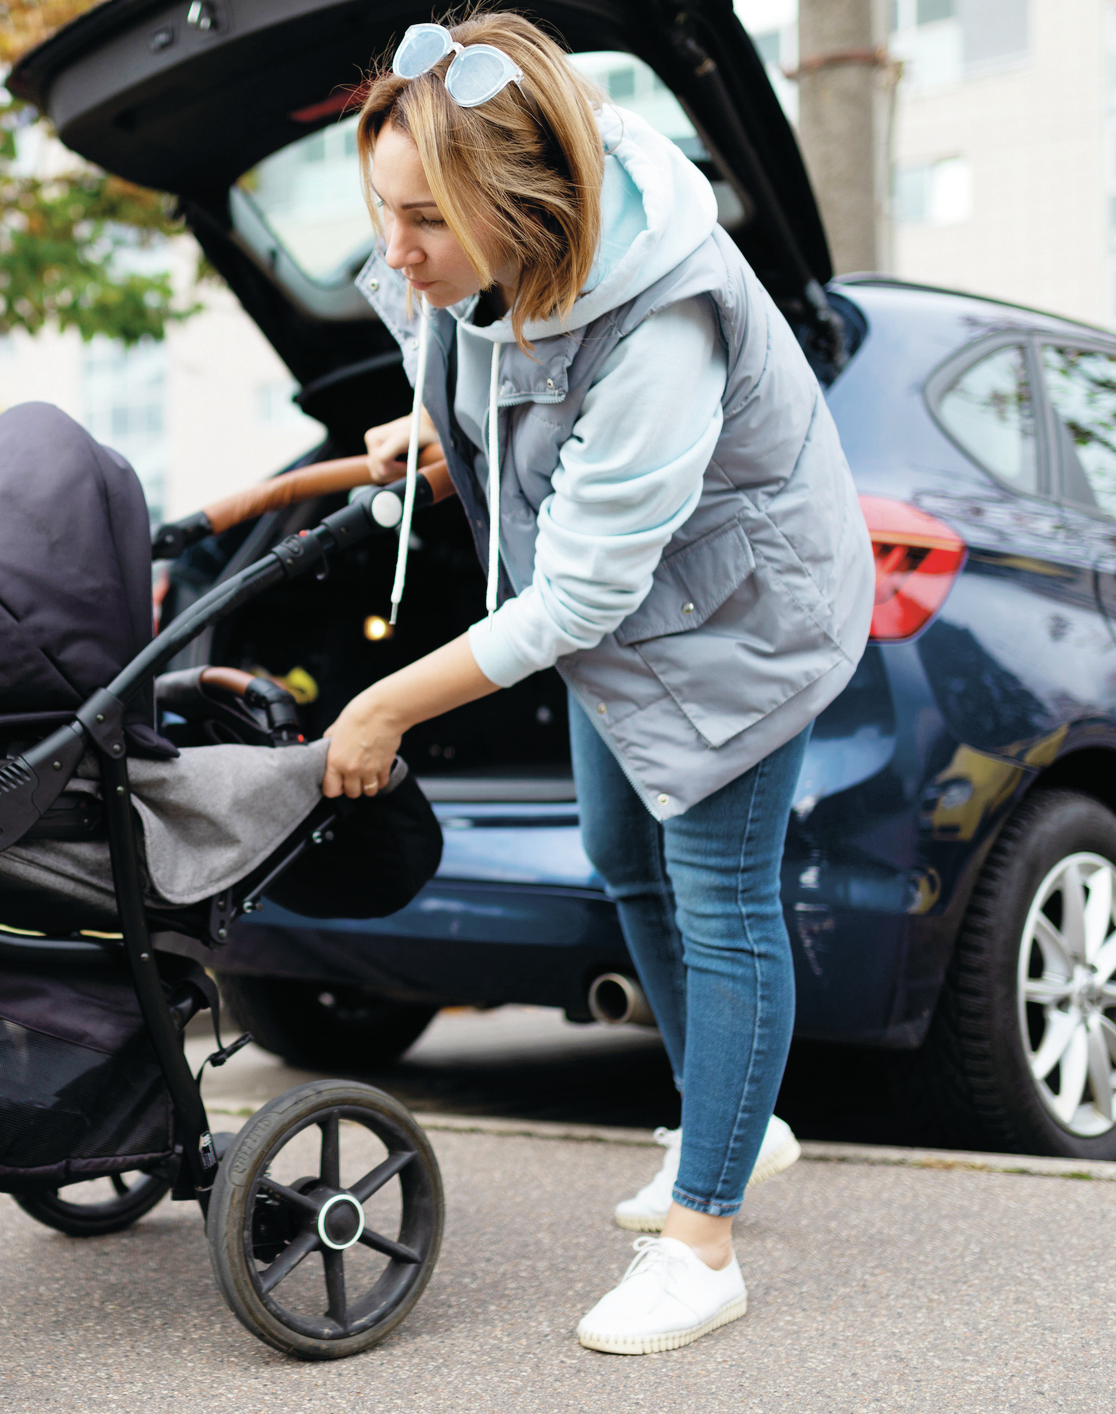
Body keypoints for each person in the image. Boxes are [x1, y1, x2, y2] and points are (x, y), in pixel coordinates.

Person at [322, 12, 873, 1354]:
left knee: (723, 901)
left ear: (515, 204)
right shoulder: (516, 231)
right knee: (626, 856)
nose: (393, 254)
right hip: (640, 621)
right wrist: (433, 422)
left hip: (739, 625)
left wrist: (388, 702)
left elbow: (576, 593)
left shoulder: (663, 320)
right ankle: (729, 1115)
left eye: (424, 224)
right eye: (382, 215)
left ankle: (706, 1240)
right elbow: (488, 343)